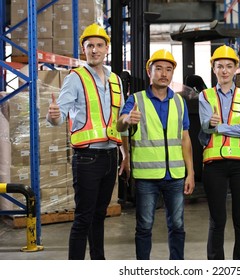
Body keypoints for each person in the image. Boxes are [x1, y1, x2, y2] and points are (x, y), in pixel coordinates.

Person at [46, 23, 130, 260]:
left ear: (106, 49)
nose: (95, 50)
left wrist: (125, 155)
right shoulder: (75, 78)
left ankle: (98, 263)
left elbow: (119, 121)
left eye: (99, 45)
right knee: (84, 217)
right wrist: (53, 117)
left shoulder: (116, 80)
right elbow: (59, 115)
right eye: (90, 45)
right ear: (83, 49)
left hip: (110, 156)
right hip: (87, 158)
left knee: (99, 215)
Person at [116, 49, 195, 260]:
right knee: (144, 226)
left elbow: (185, 138)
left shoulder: (179, 102)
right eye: (158, 69)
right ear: (149, 71)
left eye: (168, 70)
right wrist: (126, 120)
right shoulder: (136, 100)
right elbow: (120, 125)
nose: (164, 74)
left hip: (176, 176)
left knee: (177, 225)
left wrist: (191, 173)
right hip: (146, 178)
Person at [198, 45, 240, 260]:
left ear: (235, 69)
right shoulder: (205, 96)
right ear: (213, 68)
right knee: (217, 220)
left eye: (228, 66)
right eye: (220, 66)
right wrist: (220, 127)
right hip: (214, 165)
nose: (224, 71)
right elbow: (205, 128)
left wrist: (219, 126)